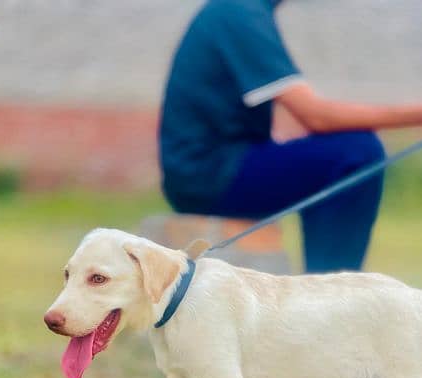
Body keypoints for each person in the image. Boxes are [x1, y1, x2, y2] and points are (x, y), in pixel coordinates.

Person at [159, 0, 422, 273]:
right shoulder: (238, 12)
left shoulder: (237, 10)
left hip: (210, 170)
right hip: (208, 177)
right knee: (355, 152)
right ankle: (332, 293)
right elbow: (316, 117)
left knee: (340, 151)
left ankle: (327, 286)